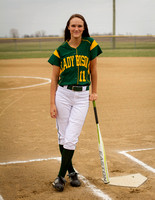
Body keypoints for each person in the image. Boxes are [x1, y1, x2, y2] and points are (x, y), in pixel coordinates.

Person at [48, 14, 102, 192]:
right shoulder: (60, 50)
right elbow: (54, 78)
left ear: (84, 27)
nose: (77, 29)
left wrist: (94, 91)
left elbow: (93, 69)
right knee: (63, 136)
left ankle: (60, 177)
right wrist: (52, 103)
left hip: (81, 97)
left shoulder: (90, 45)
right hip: (62, 95)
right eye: (73, 26)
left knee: (71, 138)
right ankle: (71, 172)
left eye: (80, 26)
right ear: (68, 28)